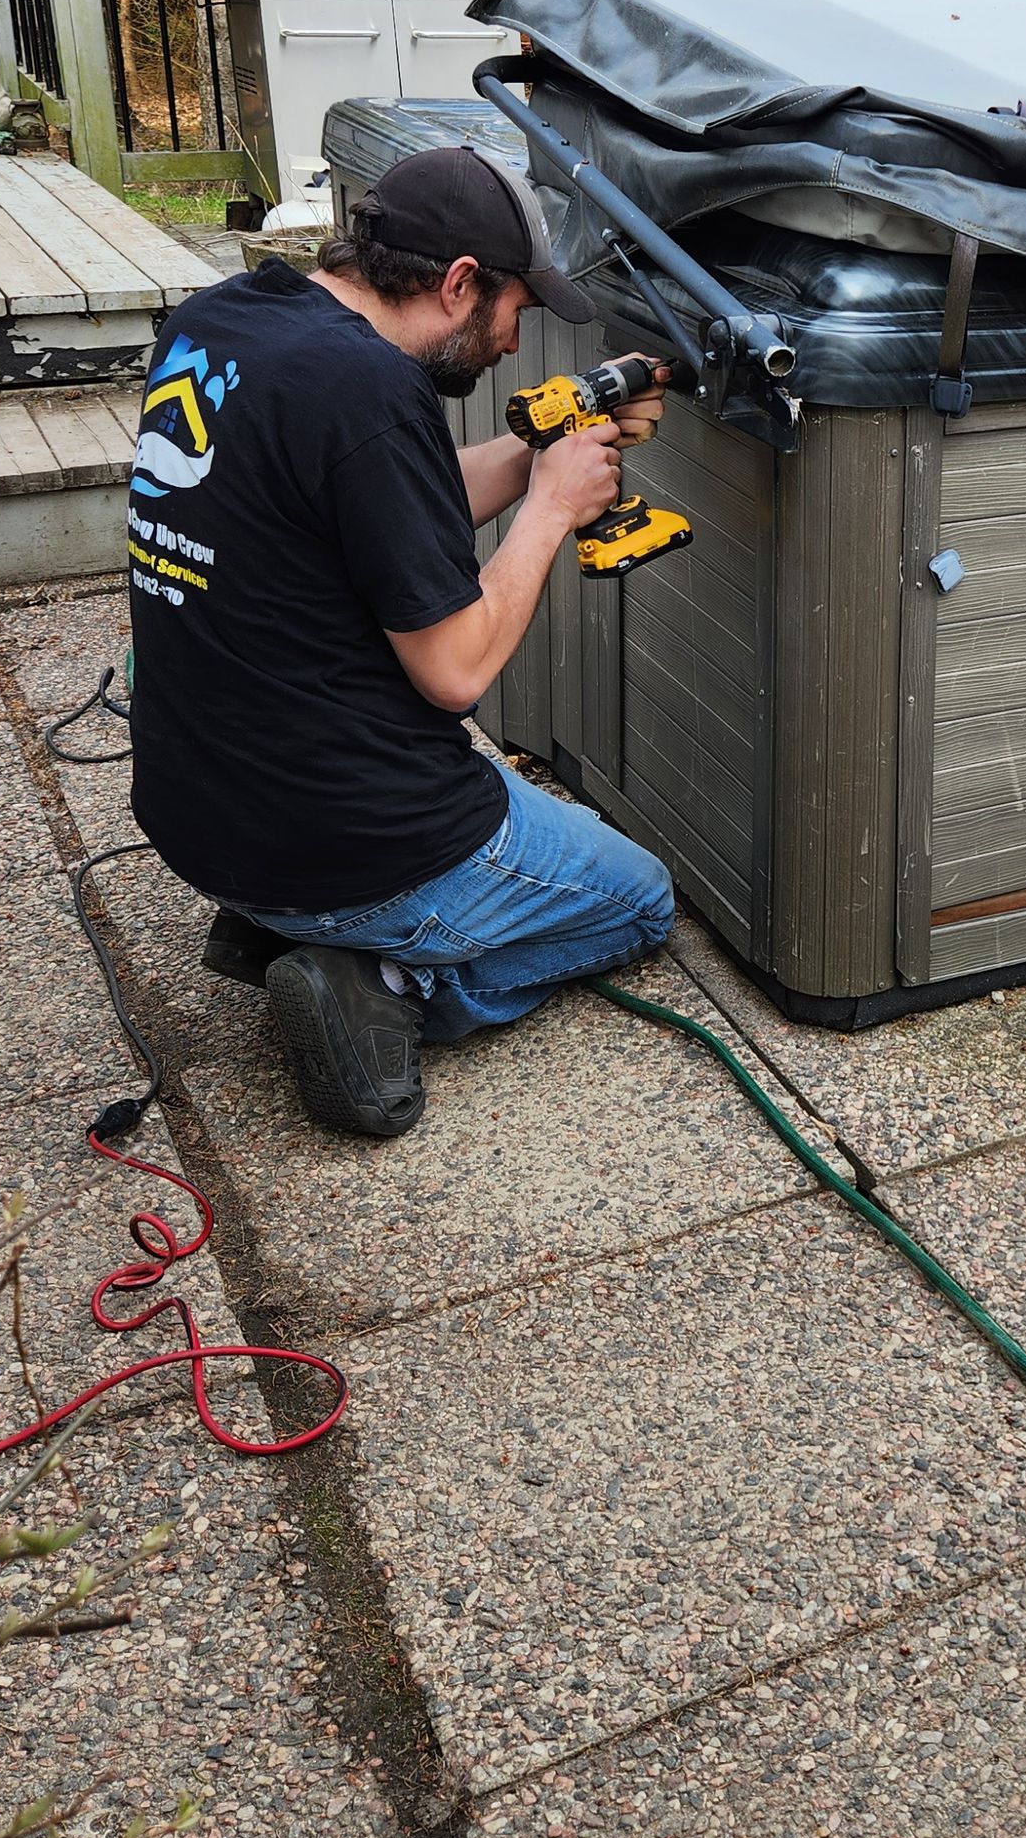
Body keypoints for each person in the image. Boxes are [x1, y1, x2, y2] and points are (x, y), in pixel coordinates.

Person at [125, 145, 677, 1140]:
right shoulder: (372, 391)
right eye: (518, 308)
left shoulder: (226, 319)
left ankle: (280, 925)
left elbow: (384, 510)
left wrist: (538, 453)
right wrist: (551, 510)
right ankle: (379, 980)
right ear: (462, 281)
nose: (515, 341)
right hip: (354, 837)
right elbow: (454, 669)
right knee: (637, 900)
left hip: (196, 814)